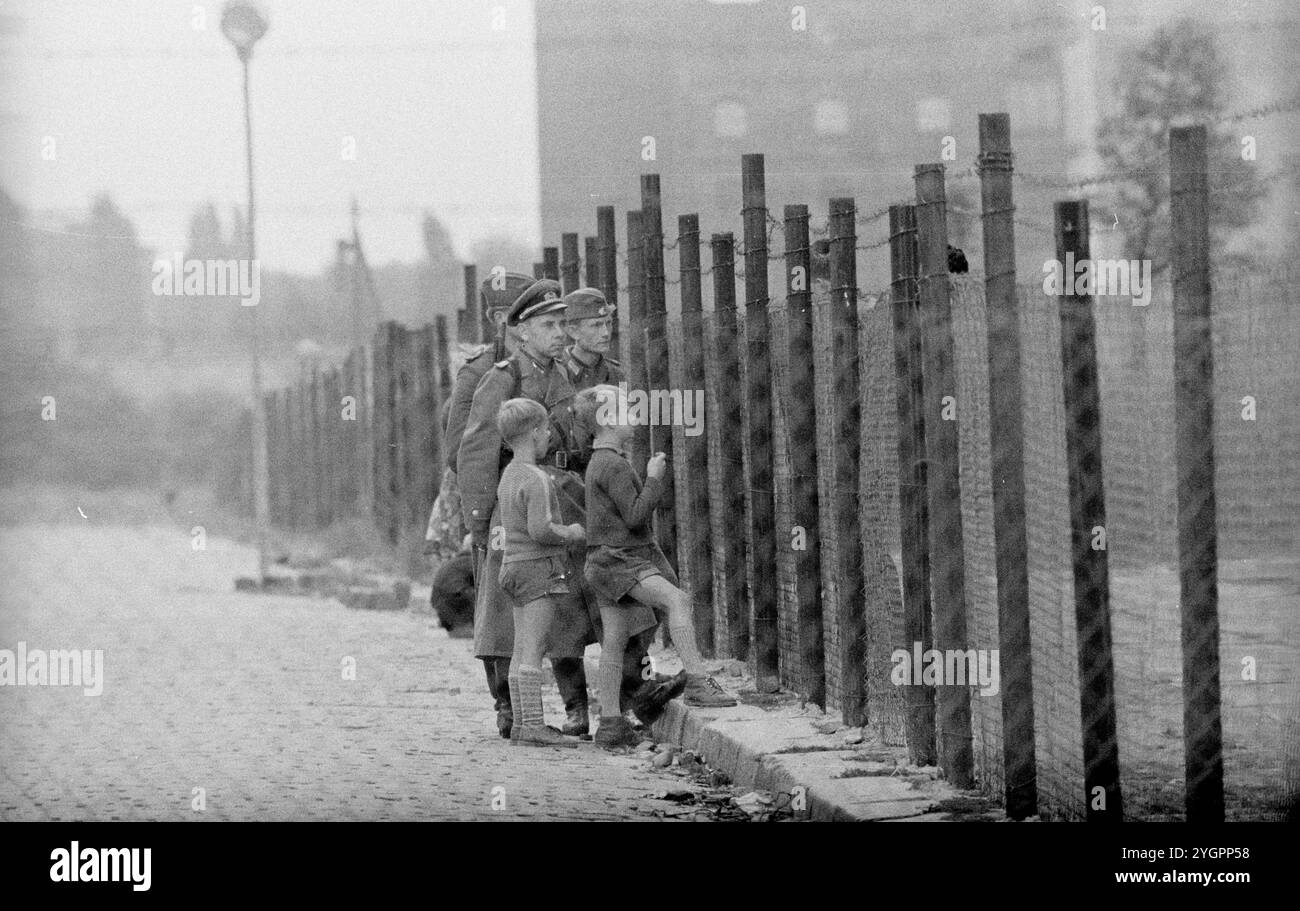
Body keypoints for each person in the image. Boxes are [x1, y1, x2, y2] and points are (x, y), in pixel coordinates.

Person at [458, 280, 679, 740]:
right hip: (518, 504)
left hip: (568, 494)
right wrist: (481, 524)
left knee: (596, 592)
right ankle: (511, 708)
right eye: (549, 324)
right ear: (521, 332)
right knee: (510, 610)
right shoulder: (502, 378)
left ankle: (613, 698)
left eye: (562, 323)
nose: (560, 333)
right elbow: (476, 454)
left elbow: (585, 439)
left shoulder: (565, 376)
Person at [574, 384, 736, 751]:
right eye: (626, 410)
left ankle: (611, 723)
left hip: (601, 562)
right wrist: (653, 478)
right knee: (677, 600)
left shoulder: (600, 461)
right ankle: (697, 681)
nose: (634, 415)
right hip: (621, 560)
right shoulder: (613, 464)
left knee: (613, 642)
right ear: (607, 420)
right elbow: (634, 516)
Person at [493, 397, 585, 747]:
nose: (549, 434)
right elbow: (541, 530)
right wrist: (572, 533)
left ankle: (520, 723)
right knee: (535, 647)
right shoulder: (537, 478)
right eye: (546, 428)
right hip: (537, 569)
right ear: (533, 433)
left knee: (521, 648)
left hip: (512, 568)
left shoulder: (508, 475)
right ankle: (533, 725)